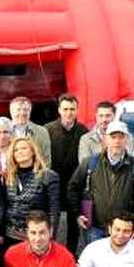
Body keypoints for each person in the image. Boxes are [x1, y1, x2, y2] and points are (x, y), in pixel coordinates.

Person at [67, 120, 134, 246]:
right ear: (106, 139)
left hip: (123, 230)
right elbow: (73, 187)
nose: (117, 141)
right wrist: (78, 213)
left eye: (121, 137)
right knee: (96, 264)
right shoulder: (91, 162)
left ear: (127, 140)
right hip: (95, 229)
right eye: (113, 137)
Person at [44, 93, 89, 254]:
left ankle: (70, 256)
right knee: (51, 222)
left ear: (77, 110)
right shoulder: (47, 130)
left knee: (73, 225)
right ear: (59, 110)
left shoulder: (84, 132)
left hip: (75, 185)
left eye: (72, 109)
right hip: (52, 185)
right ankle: (50, 254)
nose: (68, 113)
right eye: (65, 109)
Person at [3, 137, 61, 247]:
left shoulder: (48, 176)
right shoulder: (8, 176)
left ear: (33, 151)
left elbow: (54, 209)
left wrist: (51, 234)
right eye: (16, 150)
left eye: (24, 148)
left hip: (36, 236)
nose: (19, 152)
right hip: (11, 235)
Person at [9, 96, 52, 168]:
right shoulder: (3, 131)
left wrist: (42, 177)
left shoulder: (41, 132)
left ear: (30, 111)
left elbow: (46, 159)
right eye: (18, 110)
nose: (22, 113)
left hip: (36, 176)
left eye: (25, 110)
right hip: (10, 176)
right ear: (11, 112)